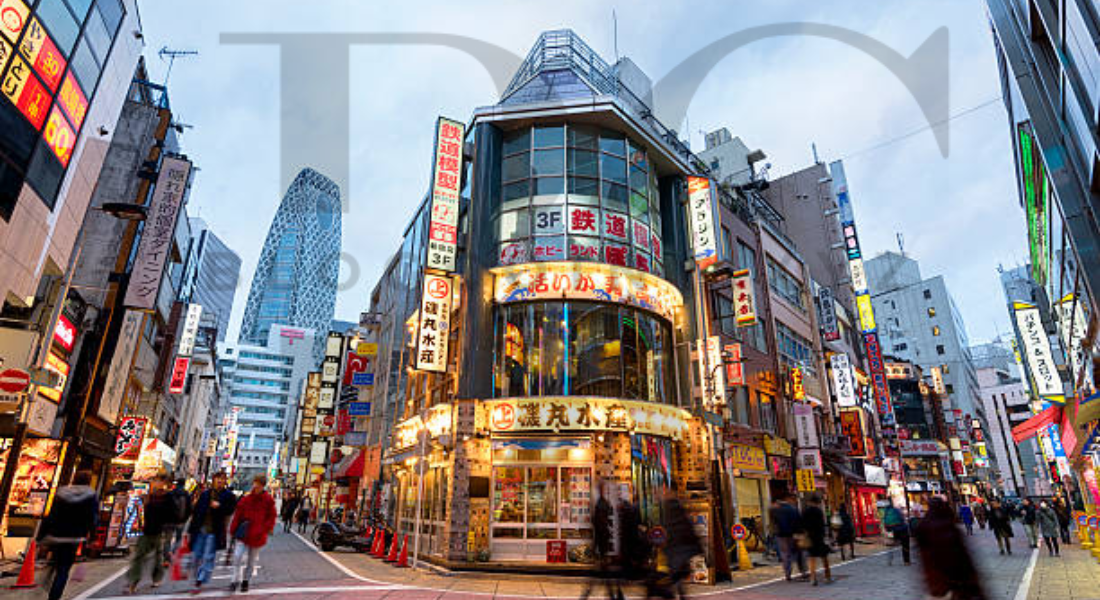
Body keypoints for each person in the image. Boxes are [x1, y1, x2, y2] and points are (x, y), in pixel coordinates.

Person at [38, 470, 99, 600]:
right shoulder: (91, 495)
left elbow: (51, 515)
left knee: (55, 562)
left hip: (56, 535)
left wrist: (41, 536)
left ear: (74, 479)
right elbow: (92, 518)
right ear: (89, 481)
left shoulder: (62, 492)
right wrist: (92, 538)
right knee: (63, 570)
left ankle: (48, 577)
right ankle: (54, 596)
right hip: (73, 537)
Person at [915, 497, 987, 600]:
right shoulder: (950, 527)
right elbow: (965, 559)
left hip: (936, 585)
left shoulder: (923, 528)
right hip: (957, 584)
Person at [188, 471, 238, 593]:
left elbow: (230, 510)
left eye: (222, 479)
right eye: (218, 478)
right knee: (196, 555)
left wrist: (219, 506)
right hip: (200, 528)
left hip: (214, 531)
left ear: (225, 481)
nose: (220, 481)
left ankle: (200, 581)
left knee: (208, 556)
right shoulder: (205, 494)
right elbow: (197, 512)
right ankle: (198, 577)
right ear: (214, 480)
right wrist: (190, 529)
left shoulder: (229, 496)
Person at [228, 475, 277, 593]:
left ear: (262, 485)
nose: (256, 486)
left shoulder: (268, 500)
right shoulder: (246, 499)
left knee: (251, 561)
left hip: (258, 535)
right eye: (255, 483)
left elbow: (272, 516)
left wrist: (266, 528)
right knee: (237, 556)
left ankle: (245, 581)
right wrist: (233, 529)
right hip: (244, 533)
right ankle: (234, 580)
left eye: (258, 484)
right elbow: (238, 515)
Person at [127, 474, 175, 593]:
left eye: (158, 481)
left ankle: (157, 578)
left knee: (157, 557)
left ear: (164, 483)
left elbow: (171, 514)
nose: (156, 483)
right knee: (139, 556)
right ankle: (134, 581)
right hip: (147, 530)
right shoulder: (149, 496)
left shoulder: (168, 497)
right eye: (155, 481)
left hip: (160, 531)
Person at [659, 491, 701, 600]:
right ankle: (681, 595)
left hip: (674, 553)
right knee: (678, 577)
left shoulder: (667, 517)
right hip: (683, 552)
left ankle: (675, 594)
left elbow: (667, 536)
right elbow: (691, 532)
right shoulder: (682, 515)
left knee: (675, 577)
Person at [580, 484, 616, 600]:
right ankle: (609, 592)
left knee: (600, 571)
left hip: (601, 542)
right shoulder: (602, 503)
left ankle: (589, 592)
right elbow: (602, 524)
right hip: (602, 542)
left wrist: (595, 546)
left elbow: (599, 525)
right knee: (602, 571)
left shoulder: (600, 504)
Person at [769, 494, 807, 580]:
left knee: (785, 555)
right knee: (799, 554)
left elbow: (774, 522)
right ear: (789, 499)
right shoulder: (793, 509)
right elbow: (799, 521)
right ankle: (803, 572)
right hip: (794, 534)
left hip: (781, 535)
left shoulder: (776, 510)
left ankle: (788, 574)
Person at [801, 495, 832, 585]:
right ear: (817, 503)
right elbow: (822, 525)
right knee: (824, 557)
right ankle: (827, 576)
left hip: (810, 537)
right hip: (819, 537)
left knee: (812, 558)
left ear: (810, 502)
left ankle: (813, 578)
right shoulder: (819, 512)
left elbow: (803, 525)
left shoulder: (805, 512)